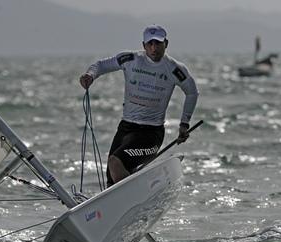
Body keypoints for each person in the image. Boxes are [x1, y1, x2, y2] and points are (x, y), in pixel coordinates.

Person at [79, 24, 199, 186]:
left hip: (151, 134)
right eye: (150, 44)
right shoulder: (130, 60)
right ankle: (120, 207)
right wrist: (90, 76)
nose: (154, 48)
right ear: (143, 45)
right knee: (111, 178)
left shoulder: (174, 69)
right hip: (126, 128)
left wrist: (184, 123)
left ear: (166, 44)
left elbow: (192, 92)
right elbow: (100, 65)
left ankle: (129, 200)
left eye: (158, 43)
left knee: (115, 162)